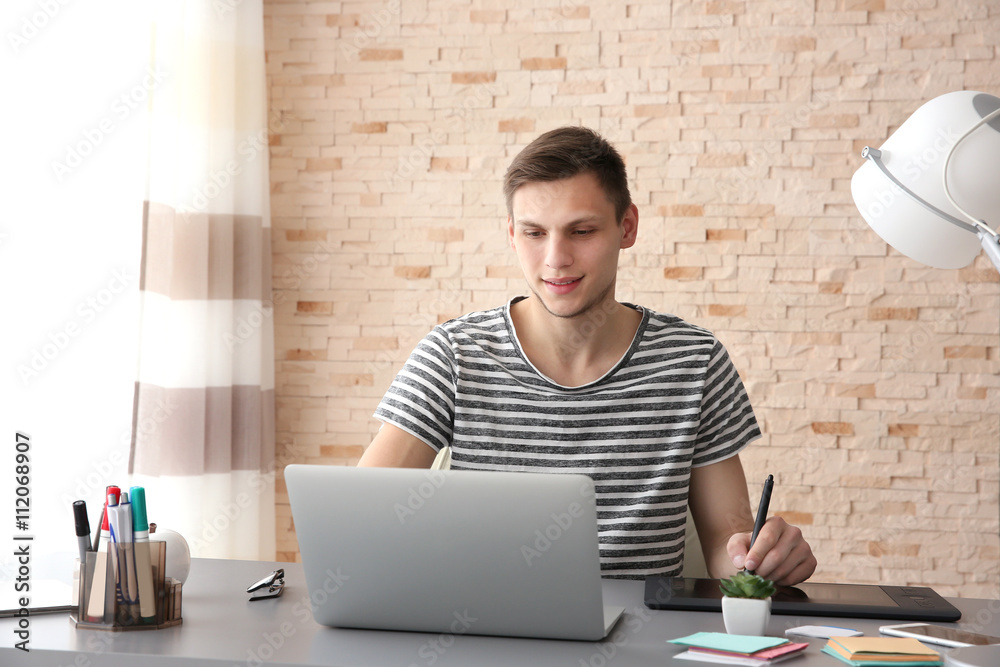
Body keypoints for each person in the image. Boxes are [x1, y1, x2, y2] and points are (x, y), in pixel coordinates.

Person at [359, 126, 817, 585]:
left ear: (627, 227)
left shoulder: (696, 363)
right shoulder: (454, 356)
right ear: (513, 236)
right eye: (535, 233)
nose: (556, 258)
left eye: (581, 231)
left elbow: (725, 540)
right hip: (484, 636)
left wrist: (756, 562)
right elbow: (363, 521)